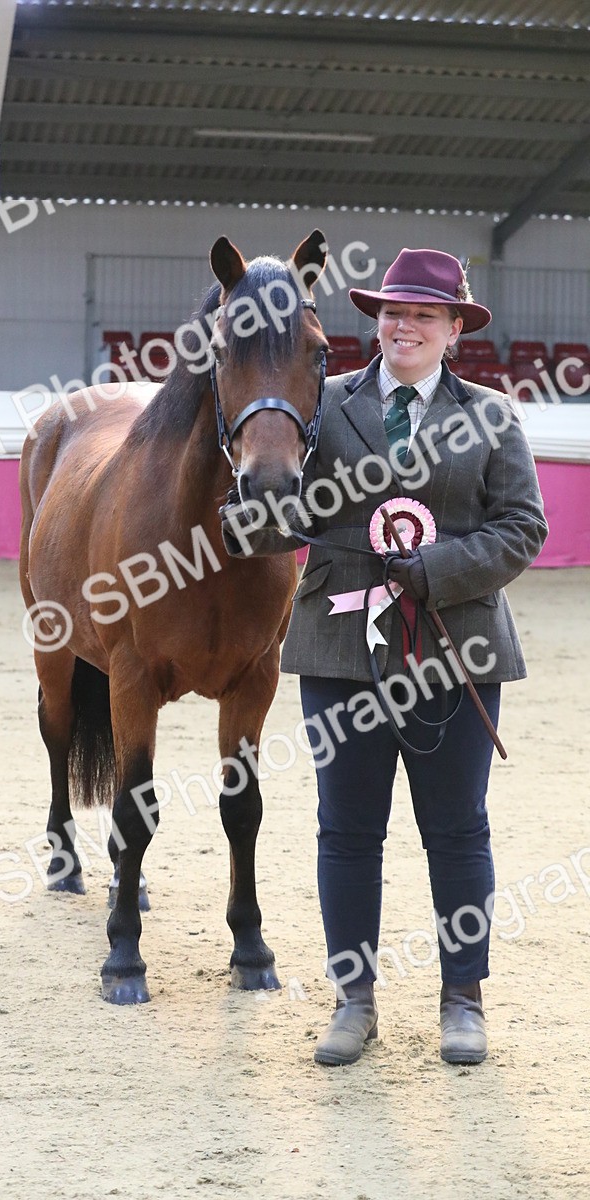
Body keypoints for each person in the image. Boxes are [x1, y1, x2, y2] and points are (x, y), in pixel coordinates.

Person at [220, 248, 548, 1066]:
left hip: (456, 652)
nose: (405, 326)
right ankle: (353, 1001)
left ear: (454, 331)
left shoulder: (492, 415)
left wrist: (438, 569)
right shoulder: (322, 401)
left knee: (458, 830)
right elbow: (287, 515)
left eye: (424, 315)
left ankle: (463, 1000)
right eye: (394, 312)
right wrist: (248, 521)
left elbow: (522, 528)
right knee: (346, 830)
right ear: (375, 321)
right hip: (341, 653)